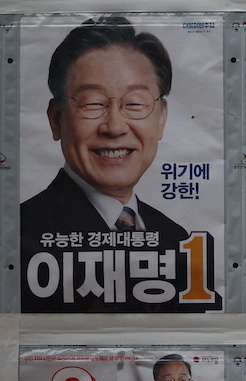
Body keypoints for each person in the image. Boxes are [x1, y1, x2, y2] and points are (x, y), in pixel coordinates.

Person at [20, 16, 194, 312]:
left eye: (135, 103)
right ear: (57, 119)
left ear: (161, 118)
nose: (114, 126)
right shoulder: (17, 236)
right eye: (92, 103)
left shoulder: (177, 239)